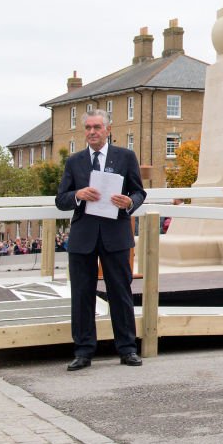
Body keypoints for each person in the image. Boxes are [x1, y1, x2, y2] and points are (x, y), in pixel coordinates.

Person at [55, 109, 146, 371]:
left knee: (120, 292)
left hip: (115, 234)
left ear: (107, 130)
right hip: (83, 236)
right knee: (82, 295)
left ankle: (127, 349)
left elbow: (139, 192)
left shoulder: (125, 157)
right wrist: (77, 195)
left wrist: (130, 202)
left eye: (97, 127)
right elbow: (61, 200)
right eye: (88, 128)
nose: (92, 132)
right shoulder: (75, 161)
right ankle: (83, 351)